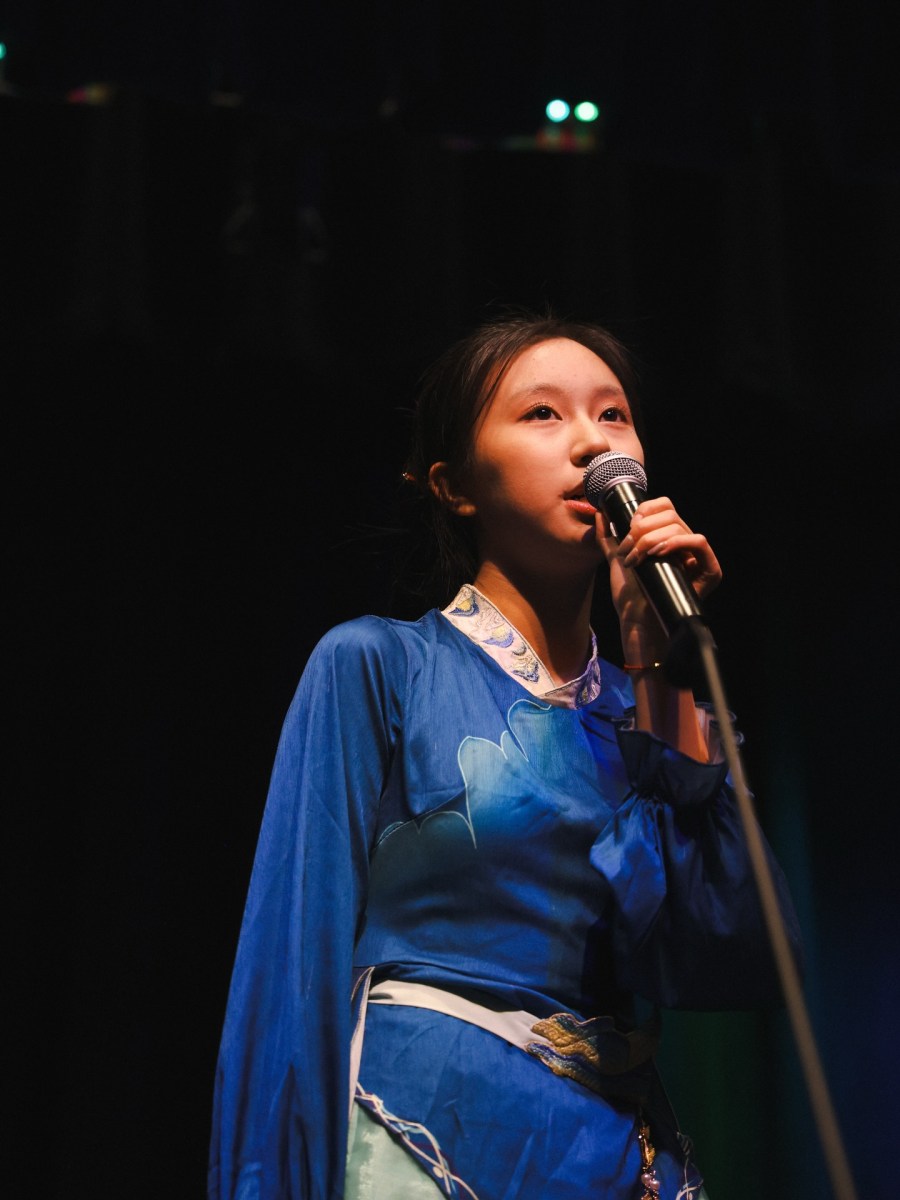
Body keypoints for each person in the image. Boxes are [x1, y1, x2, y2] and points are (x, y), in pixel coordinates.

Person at [208, 312, 803, 1200]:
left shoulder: (649, 702)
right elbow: (293, 959)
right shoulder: (380, 664)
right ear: (454, 486)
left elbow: (729, 950)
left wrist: (657, 670)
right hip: (421, 1131)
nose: (589, 446)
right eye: (541, 416)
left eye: (612, 415)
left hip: (615, 1150)